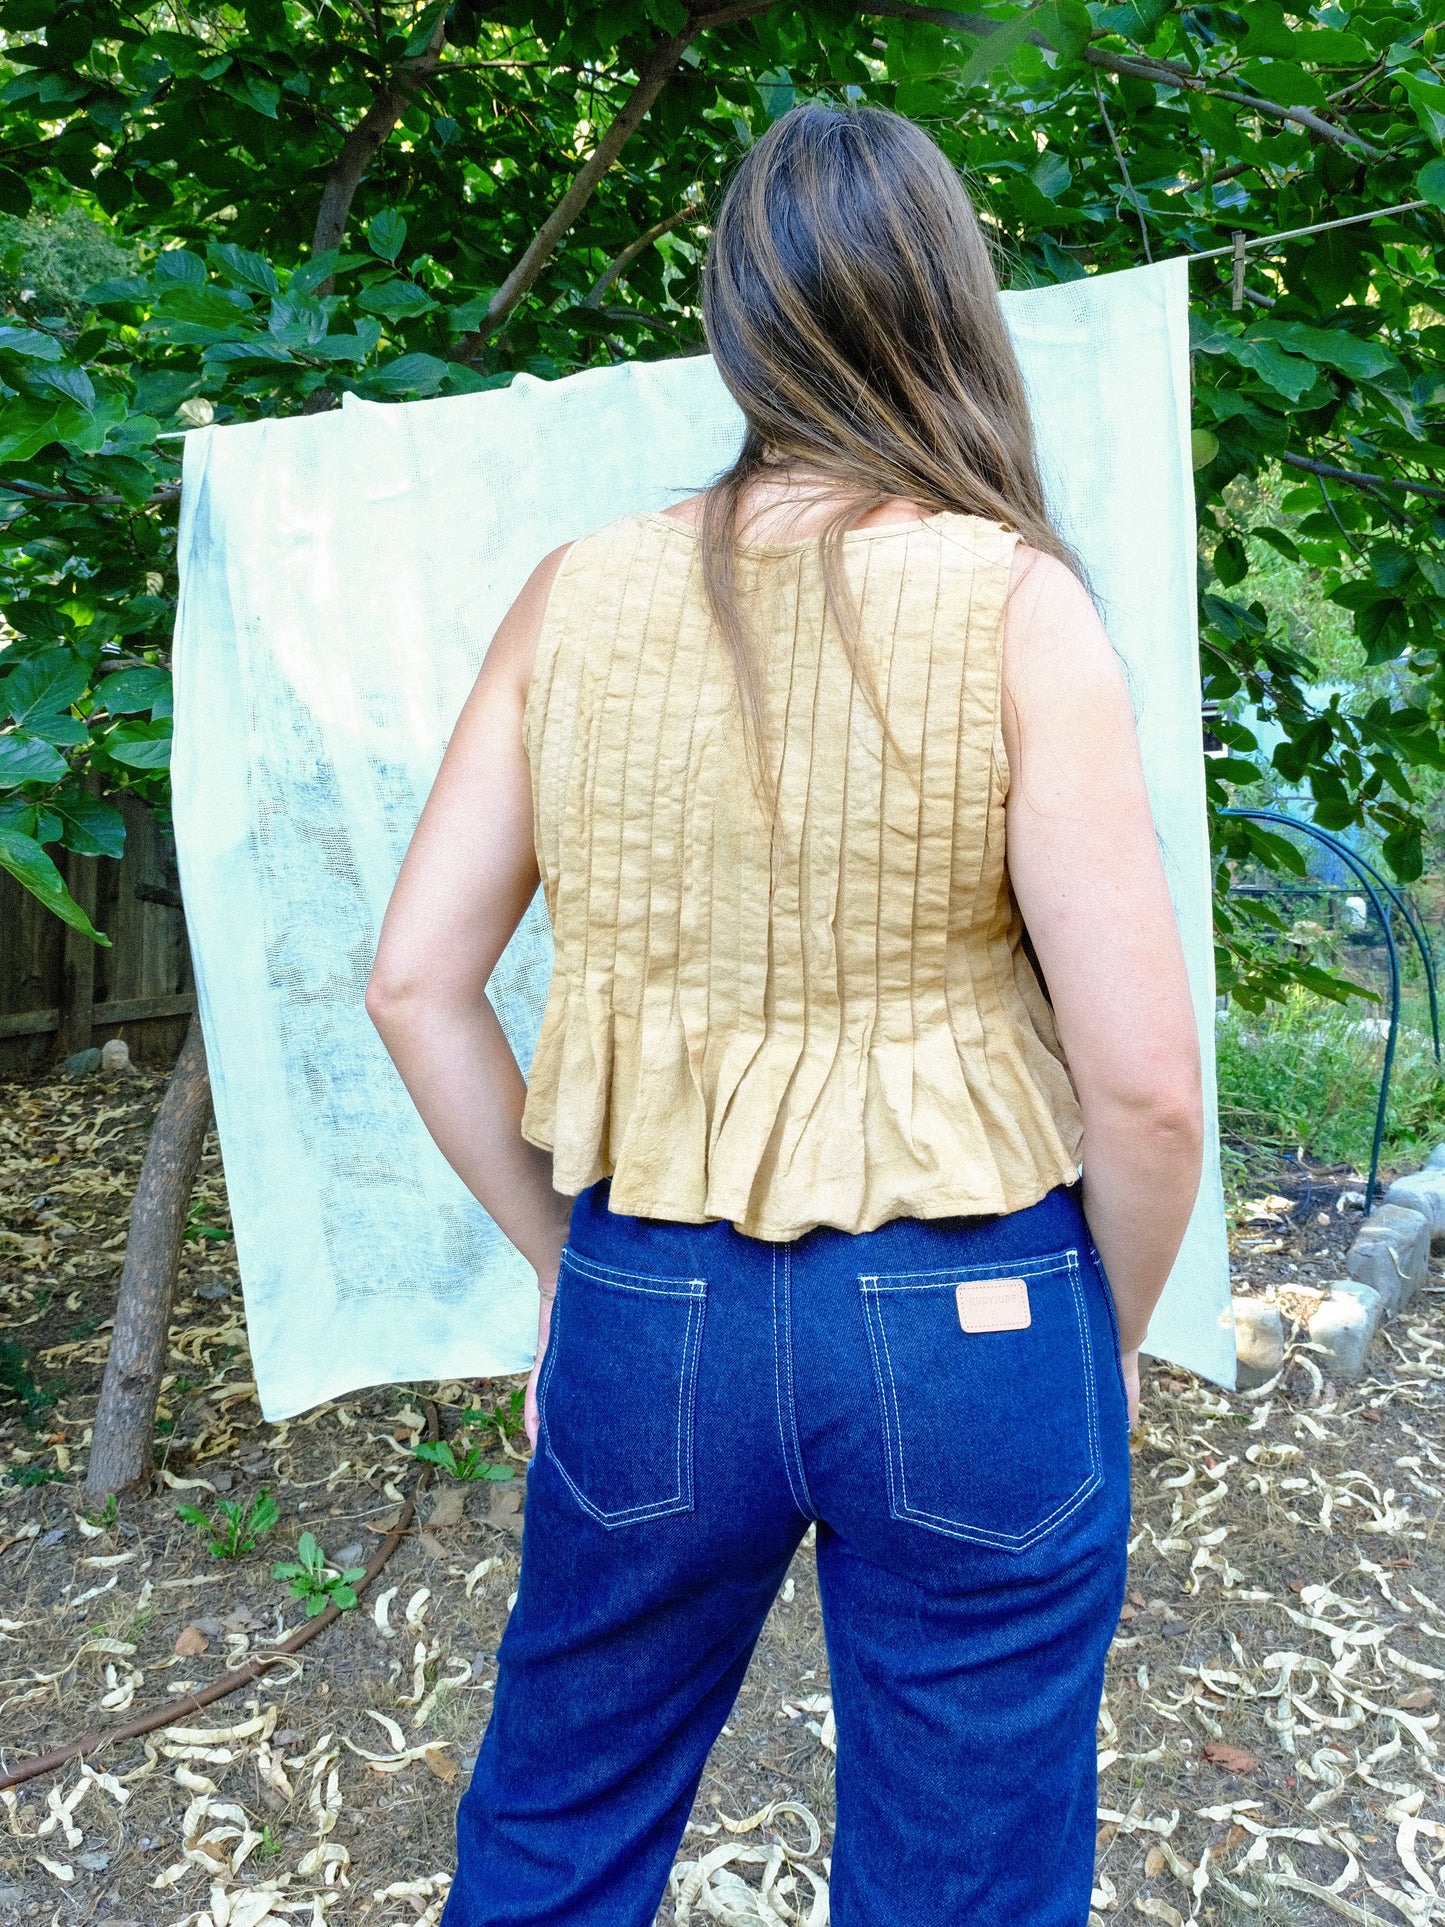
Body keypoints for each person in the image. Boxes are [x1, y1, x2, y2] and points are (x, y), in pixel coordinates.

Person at [366, 100, 1204, 1927]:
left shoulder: (574, 595)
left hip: (647, 1296)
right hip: (978, 1308)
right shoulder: (1014, 604)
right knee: (962, 1878)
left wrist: (566, 1270)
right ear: (951, 304)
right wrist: (1109, 1334)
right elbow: (1145, 1094)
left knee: (560, 1820)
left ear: (735, 317)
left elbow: (414, 984)